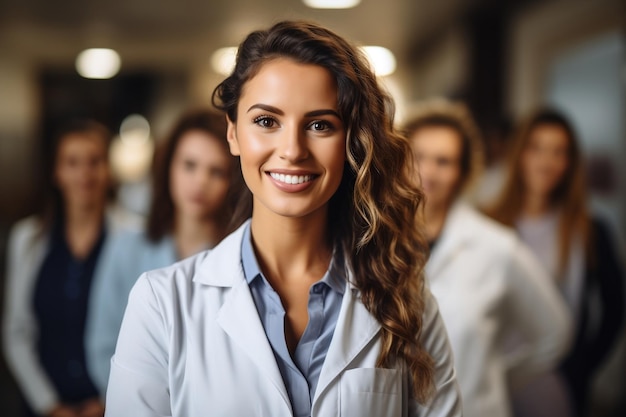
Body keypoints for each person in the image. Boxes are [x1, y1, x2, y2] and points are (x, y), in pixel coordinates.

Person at [104, 20, 462, 416]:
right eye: (266, 121)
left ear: (350, 142)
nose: (292, 149)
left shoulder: (404, 302)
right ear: (233, 134)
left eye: (319, 125)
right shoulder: (161, 302)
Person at [403, 100, 572, 417]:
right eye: (418, 156)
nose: (428, 171)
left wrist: (496, 375)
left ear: (463, 172)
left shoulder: (497, 247)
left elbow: (555, 332)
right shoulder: (371, 242)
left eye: (444, 161)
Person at [85, 109, 240, 395]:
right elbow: (102, 346)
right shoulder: (125, 247)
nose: (200, 182)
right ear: (168, 166)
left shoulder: (239, 259)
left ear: (232, 182)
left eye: (216, 171)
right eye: (189, 165)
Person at [486, 109, 625, 417]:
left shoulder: (590, 230)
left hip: (559, 381)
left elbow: (614, 308)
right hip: (493, 375)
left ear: (570, 162)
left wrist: (582, 365)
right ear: (519, 154)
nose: (546, 162)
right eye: (536, 148)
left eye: (558, 152)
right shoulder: (488, 225)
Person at [2, 120, 140, 417]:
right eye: (72, 163)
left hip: (113, 405)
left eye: (94, 162)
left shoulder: (135, 237)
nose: (84, 174)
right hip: (42, 407)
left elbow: (144, 334)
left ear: (108, 170)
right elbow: (17, 331)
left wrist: (106, 399)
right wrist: (49, 405)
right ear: (56, 172)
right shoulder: (27, 240)